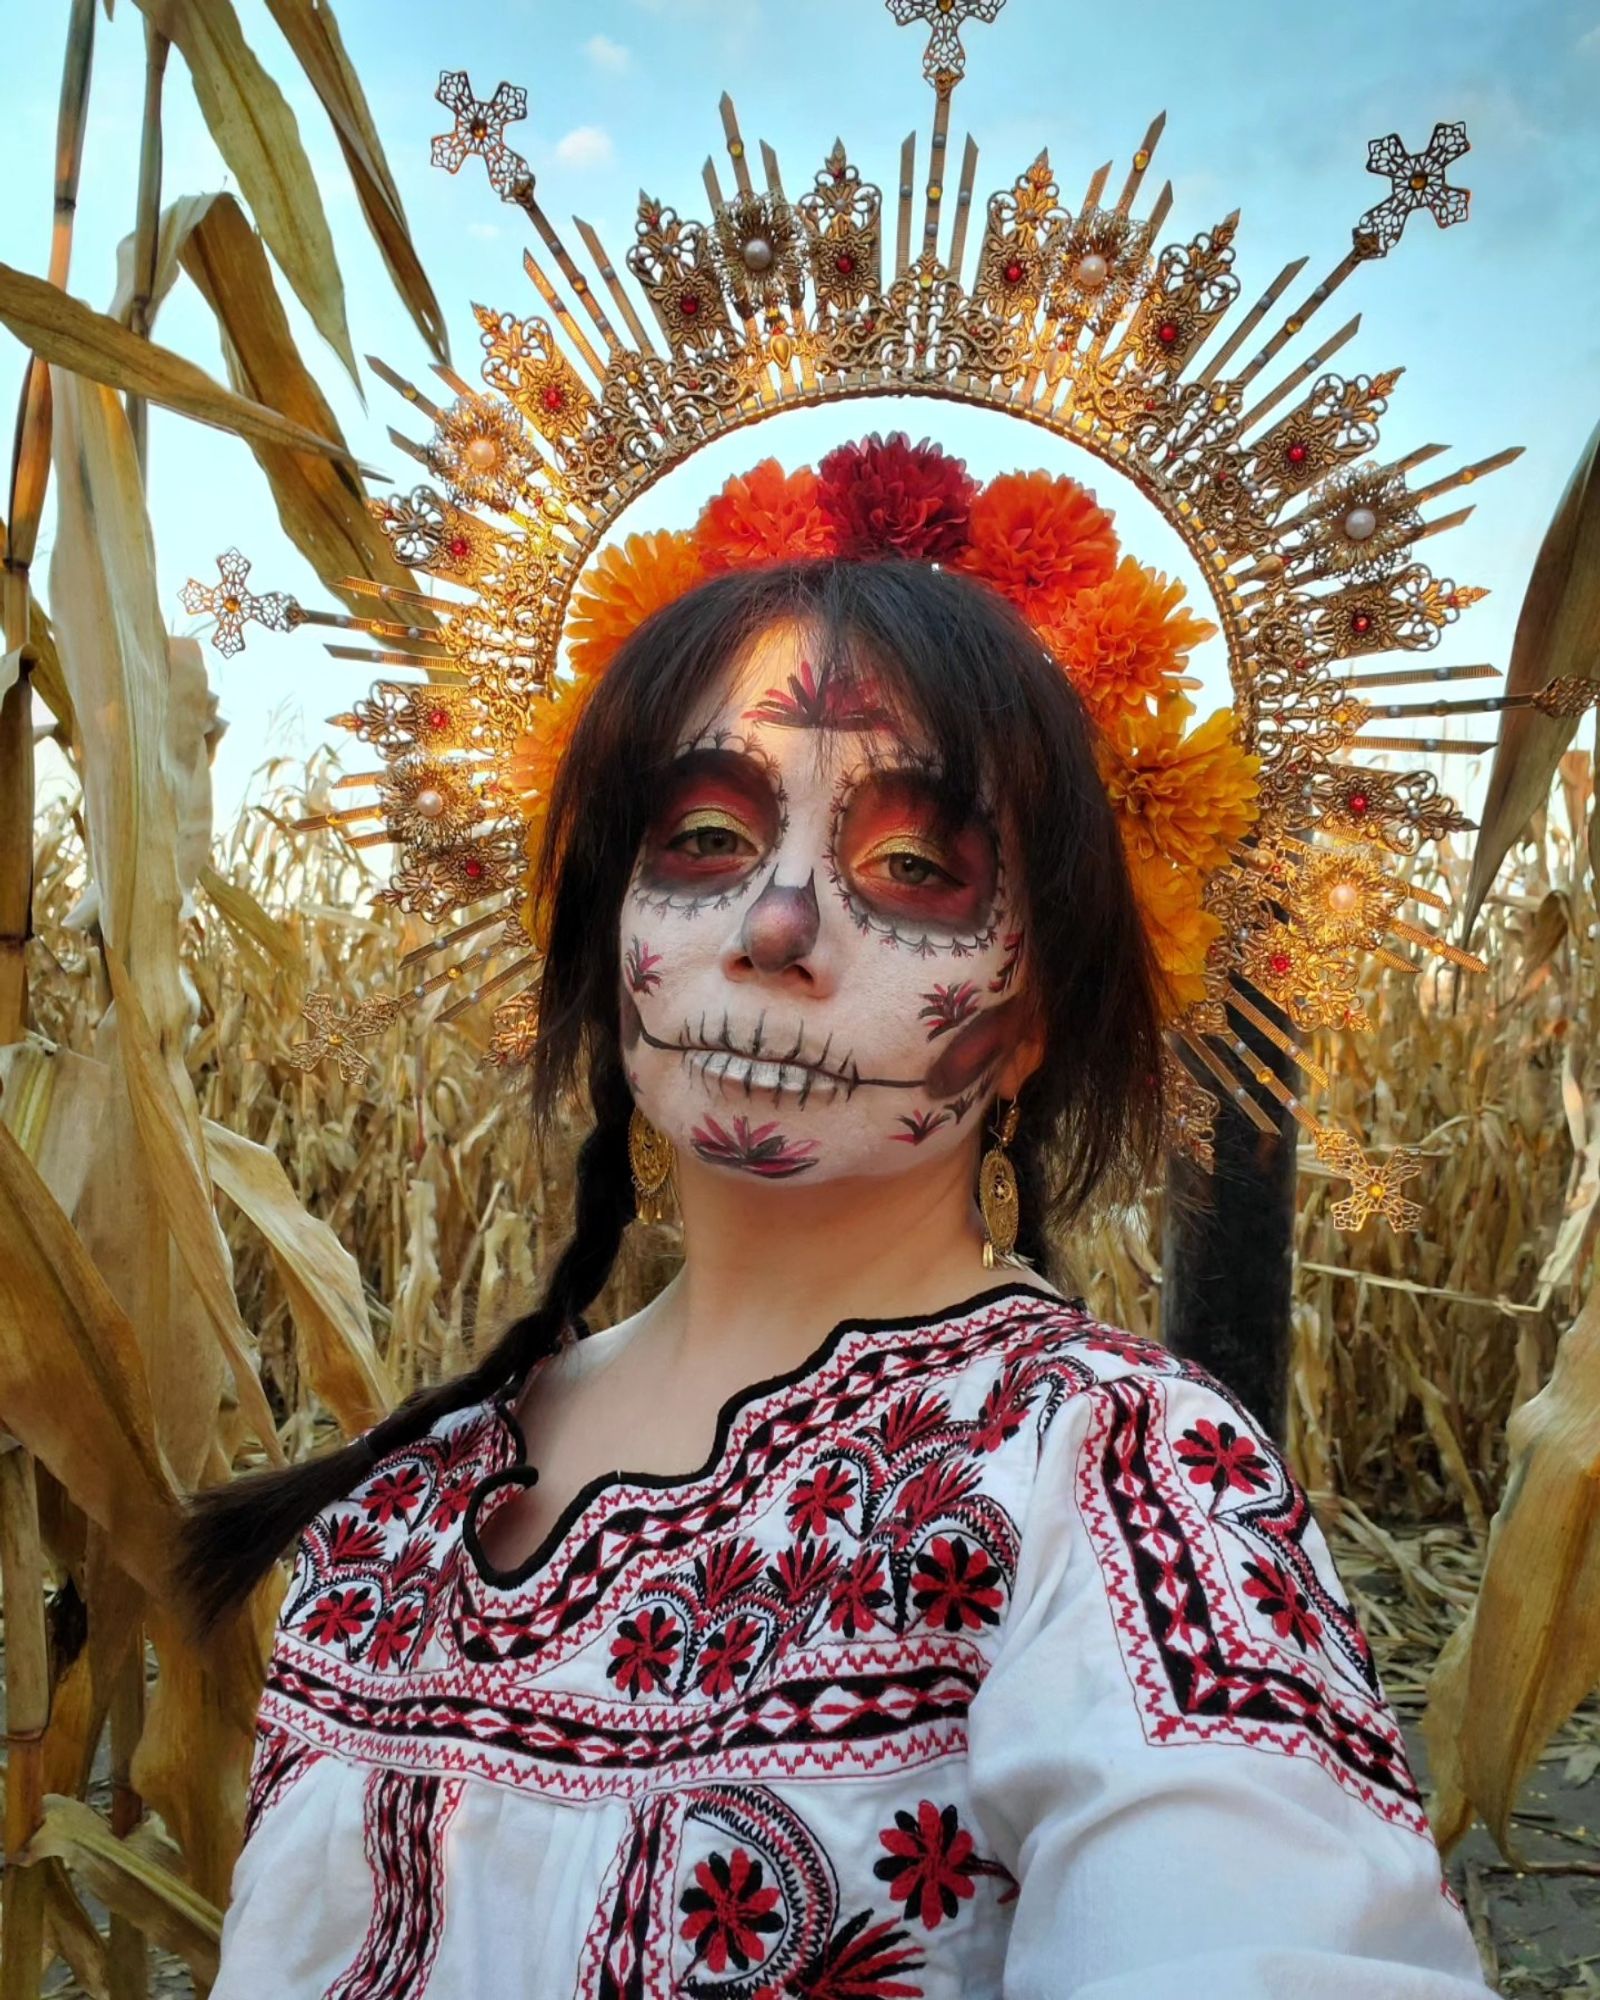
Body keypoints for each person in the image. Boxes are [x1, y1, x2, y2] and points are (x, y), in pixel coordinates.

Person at [185, 524, 1489, 1996]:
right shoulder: (392, 1519)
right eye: (705, 841)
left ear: (1038, 1012)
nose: (778, 925)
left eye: (914, 864)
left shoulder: (1115, 1482)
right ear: (612, 931)